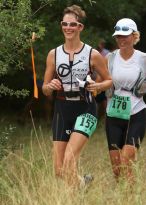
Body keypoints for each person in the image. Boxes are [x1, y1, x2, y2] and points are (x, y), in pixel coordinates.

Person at [42, 5, 112, 187]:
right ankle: (83, 185)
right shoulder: (53, 54)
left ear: (80, 27)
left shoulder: (93, 54)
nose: (68, 28)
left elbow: (109, 81)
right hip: (62, 109)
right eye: (65, 24)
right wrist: (50, 86)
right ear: (61, 25)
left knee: (69, 160)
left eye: (73, 24)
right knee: (59, 170)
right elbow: (44, 89)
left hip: (85, 109)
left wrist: (98, 85)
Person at [105, 18, 146, 182]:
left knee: (126, 160)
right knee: (117, 169)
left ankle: (131, 200)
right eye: (118, 36)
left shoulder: (143, 58)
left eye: (125, 35)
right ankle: (123, 201)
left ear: (134, 36)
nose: (121, 39)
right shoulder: (110, 58)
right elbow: (101, 79)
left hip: (136, 113)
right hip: (113, 115)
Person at [95, 39, 110, 118]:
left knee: (105, 100)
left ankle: (106, 116)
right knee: (95, 101)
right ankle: (95, 118)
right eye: (100, 43)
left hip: (104, 80)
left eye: (102, 44)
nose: (101, 45)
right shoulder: (94, 52)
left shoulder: (107, 53)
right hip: (96, 78)